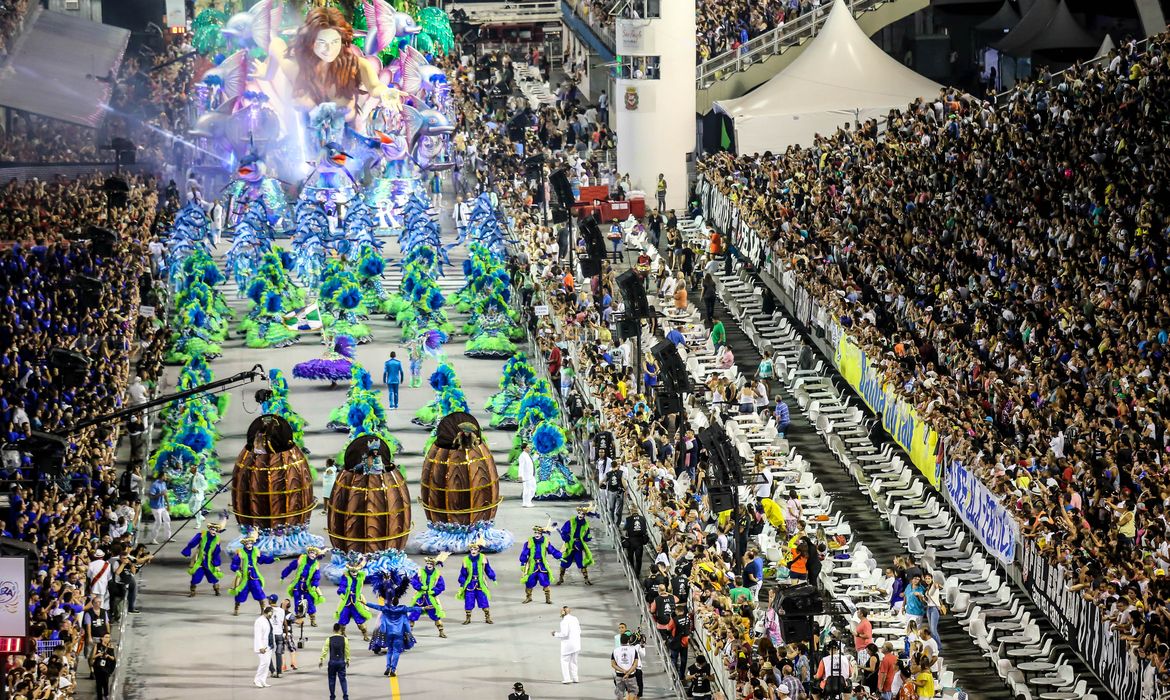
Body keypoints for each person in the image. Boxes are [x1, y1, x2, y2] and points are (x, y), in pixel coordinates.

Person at [365, 599, 424, 677]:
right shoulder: (403, 609)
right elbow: (412, 608)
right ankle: (393, 669)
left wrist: (365, 603)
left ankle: (388, 667)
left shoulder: (386, 608)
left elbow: (376, 606)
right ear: (398, 602)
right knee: (396, 651)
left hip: (388, 633)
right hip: (399, 634)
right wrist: (424, 608)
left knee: (389, 650)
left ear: (391, 602)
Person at [231, 533, 276, 616]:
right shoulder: (240, 553)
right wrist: (236, 569)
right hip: (244, 577)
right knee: (240, 593)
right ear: (244, 544)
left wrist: (272, 559)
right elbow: (234, 563)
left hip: (254, 576)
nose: (249, 545)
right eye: (247, 544)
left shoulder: (256, 551)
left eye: (250, 543)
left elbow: (262, 559)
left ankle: (263, 608)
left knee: (259, 591)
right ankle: (236, 607)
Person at [282, 546, 325, 626]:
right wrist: (283, 575)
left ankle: (312, 619)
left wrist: (314, 585)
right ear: (308, 553)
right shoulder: (302, 559)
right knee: (297, 602)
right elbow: (291, 567)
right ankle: (300, 620)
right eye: (311, 553)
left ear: (316, 555)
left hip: (308, 585)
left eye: (315, 554)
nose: (313, 555)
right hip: (298, 584)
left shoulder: (316, 565)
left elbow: (316, 577)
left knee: (310, 603)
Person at [181, 520, 224, 597]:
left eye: (215, 529)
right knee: (196, 577)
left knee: (213, 577)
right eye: (212, 529)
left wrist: (216, 563)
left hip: (209, 561)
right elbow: (192, 543)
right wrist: (188, 549)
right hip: (200, 560)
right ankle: (192, 591)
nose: (213, 531)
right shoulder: (202, 535)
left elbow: (216, 552)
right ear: (209, 529)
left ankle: (217, 590)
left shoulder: (217, 539)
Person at [520, 524, 562, 604]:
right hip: (532, 565)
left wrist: (559, 556)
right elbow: (524, 553)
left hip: (542, 565)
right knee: (529, 581)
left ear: (541, 534)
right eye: (535, 533)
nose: (536, 535)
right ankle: (528, 597)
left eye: (538, 533)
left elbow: (552, 550)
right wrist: (522, 563)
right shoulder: (529, 542)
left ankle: (548, 599)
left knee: (545, 581)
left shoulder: (545, 541)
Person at [458, 538, 496, 624]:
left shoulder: (483, 558)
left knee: (483, 600)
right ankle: (468, 618)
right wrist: (462, 582)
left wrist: (492, 577)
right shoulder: (466, 559)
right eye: (471, 549)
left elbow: (488, 569)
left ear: (478, 550)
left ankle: (487, 617)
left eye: (475, 549)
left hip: (480, 583)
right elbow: (463, 573)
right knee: (468, 601)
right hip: (470, 584)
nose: (473, 551)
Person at [410, 556, 447, 638]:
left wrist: (434, 591)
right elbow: (413, 581)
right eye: (427, 563)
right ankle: (408, 632)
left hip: (430, 598)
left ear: (433, 565)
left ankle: (441, 631)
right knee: (413, 614)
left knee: (436, 615)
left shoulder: (437, 574)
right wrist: (420, 586)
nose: (429, 565)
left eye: (430, 563)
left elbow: (441, 586)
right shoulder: (420, 572)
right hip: (420, 597)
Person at [335, 557, 373, 640]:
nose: (354, 573)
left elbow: (369, 578)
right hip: (347, 601)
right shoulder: (346, 576)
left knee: (360, 621)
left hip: (356, 601)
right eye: (352, 571)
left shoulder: (361, 576)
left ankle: (365, 635)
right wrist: (343, 592)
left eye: (356, 571)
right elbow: (342, 586)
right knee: (342, 619)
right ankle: (343, 634)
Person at [552, 604, 582, 684]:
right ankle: (575, 678)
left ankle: (567, 678)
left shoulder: (564, 621)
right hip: (576, 644)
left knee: (564, 661)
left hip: (568, 645)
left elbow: (564, 634)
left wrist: (555, 634)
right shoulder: (575, 618)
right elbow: (580, 631)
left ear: (563, 612)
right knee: (574, 661)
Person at [319, 623, 350, 700]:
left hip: (332, 662)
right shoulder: (344, 639)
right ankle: (345, 696)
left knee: (331, 679)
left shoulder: (329, 639)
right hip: (341, 662)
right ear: (340, 630)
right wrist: (348, 660)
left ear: (333, 630)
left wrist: (321, 659)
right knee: (343, 679)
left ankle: (332, 696)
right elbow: (347, 651)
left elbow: (325, 650)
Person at [622, 505, 649, 577]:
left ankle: (631, 572)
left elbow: (624, 528)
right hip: (640, 541)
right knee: (639, 558)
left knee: (630, 558)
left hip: (631, 541)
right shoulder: (643, 518)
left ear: (631, 511)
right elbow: (644, 529)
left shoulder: (628, 519)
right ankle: (637, 573)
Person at [612, 630, 640, 699]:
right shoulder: (633, 650)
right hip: (630, 675)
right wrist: (628, 673)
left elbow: (613, 664)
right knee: (633, 691)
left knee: (620, 692)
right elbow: (635, 664)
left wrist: (622, 670)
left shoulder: (615, 651)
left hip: (619, 675)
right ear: (628, 640)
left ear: (620, 641)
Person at [254, 606, 276, 688]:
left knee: (267, 664)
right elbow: (258, 635)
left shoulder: (269, 619)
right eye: (271, 613)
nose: (272, 614)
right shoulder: (259, 621)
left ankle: (263, 680)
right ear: (267, 612)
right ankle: (257, 679)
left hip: (269, 645)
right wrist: (260, 647)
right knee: (264, 663)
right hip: (262, 646)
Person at [267, 594, 287, 678]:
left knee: (268, 653)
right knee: (278, 653)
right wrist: (286, 634)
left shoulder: (267, 609)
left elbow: (263, 622)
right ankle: (279, 672)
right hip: (279, 634)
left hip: (270, 634)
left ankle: (273, 671)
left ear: (270, 601)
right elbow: (285, 623)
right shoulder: (282, 610)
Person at [148, 475, 171, 544]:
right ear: (161, 476)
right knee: (158, 522)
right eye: (165, 475)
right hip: (156, 507)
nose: (166, 477)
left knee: (167, 519)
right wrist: (160, 494)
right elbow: (151, 496)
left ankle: (167, 537)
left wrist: (168, 505)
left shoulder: (163, 483)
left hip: (162, 506)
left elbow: (165, 494)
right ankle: (152, 539)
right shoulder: (154, 485)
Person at [92, 633, 116, 700]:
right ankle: (99, 697)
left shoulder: (110, 646)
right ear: (102, 638)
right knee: (98, 683)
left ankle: (106, 695)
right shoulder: (97, 645)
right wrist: (99, 654)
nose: (107, 639)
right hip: (98, 667)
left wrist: (108, 656)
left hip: (106, 667)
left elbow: (113, 658)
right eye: (106, 637)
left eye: (108, 637)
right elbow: (93, 657)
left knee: (105, 682)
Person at [517, 441, 536, 508]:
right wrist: (520, 475)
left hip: (531, 475)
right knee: (527, 489)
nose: (529, 448)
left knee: (533, 488)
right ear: (524, 449)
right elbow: (521, 466)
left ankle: (528, 501)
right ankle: (526, 502)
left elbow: (531, 462)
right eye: (528, 447)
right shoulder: (522, 456)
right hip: (526, 476)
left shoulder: (527, 455)